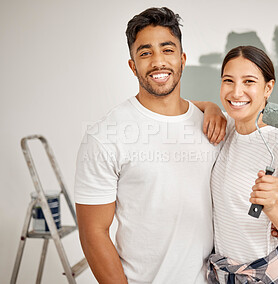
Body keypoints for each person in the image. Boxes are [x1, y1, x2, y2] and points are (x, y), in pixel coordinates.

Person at [74, 7, 227, 284]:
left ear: (182, 60)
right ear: (133, 66)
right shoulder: (105, 135)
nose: (158, 62)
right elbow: (93, 232)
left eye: (167, 50)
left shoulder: (212, 125)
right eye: (145, 53)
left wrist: (211, 107)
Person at [208, 46, 278, 283]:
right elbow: (183, 106)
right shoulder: (226, 127)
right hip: (227, 274)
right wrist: (209, 107)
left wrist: (273, 207)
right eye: (228, 81)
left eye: (249, 81)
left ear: (268, 88)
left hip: (272, 275)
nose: (236, 92)